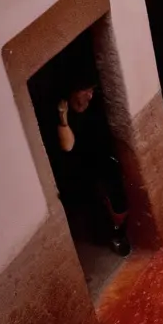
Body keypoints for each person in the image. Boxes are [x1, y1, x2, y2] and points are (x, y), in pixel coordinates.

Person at [44, 84, 131, 256]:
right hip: (76, 169)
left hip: (101, 161)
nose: (90, 96)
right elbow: (67, 147)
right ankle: (106, 234)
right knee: (92, 204)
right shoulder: (61, 115)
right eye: (85, 91)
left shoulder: (95, 107)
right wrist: (63, 118)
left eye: (92, 90)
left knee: (117, 200)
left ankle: (118, 232)